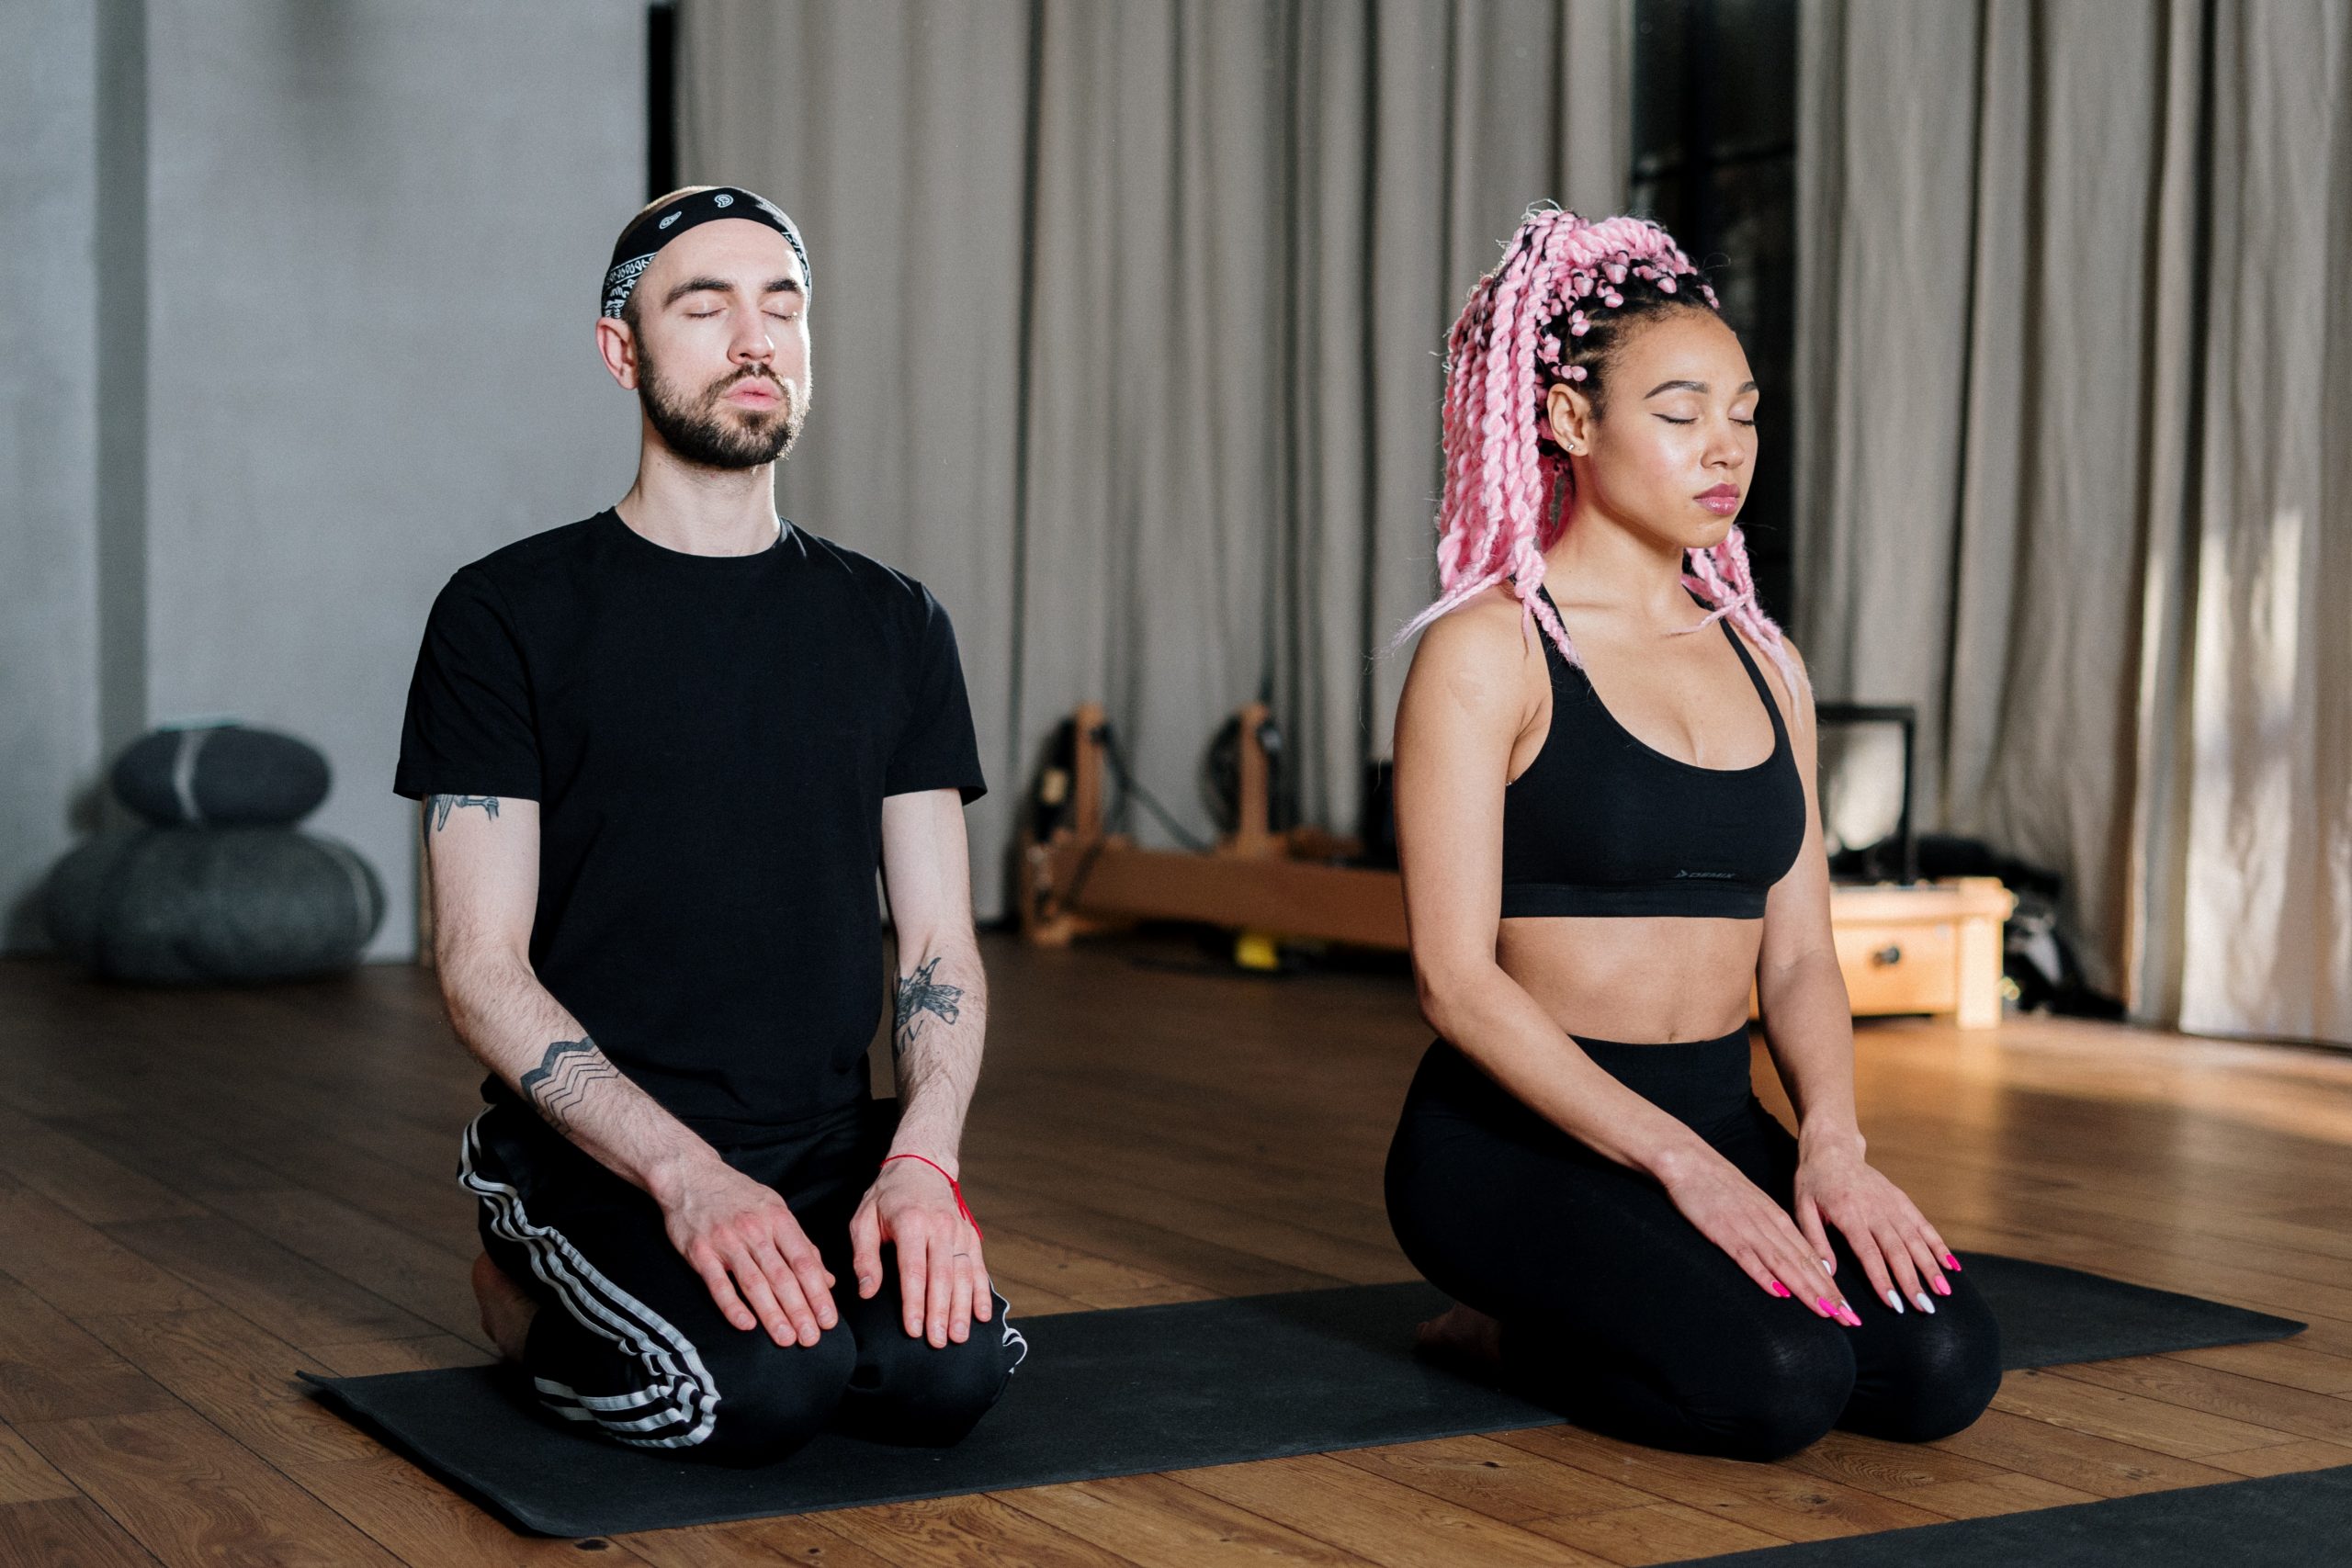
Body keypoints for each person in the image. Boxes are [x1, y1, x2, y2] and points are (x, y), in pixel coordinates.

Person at [395, 186, 1023, 1463]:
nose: (757, 338)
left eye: (783, 307)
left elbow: (943, 950)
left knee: (944, 1384)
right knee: (757, 1395)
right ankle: (516, 1303)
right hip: (601, 1146)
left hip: (826, 1136)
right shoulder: (503, 613)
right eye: (707, 305)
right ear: (620, 348)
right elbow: (479, 971)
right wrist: (684, 1176)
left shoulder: (895, 622)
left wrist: (924, 1160)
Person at [1382, 209, 2000, 1461]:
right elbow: (1455, 983)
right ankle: (1496, 1332)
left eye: (1746, 414)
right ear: (1567, 419)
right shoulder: (1486, 651)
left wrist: (1827, 1143)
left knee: (1939, 1369)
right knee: (1779, 1385)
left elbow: (1801, 960)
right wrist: (1681, 1167)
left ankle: (1660, 1277)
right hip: (1515, 1139)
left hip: (1719, 1113)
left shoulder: (1769, 664)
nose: (1726, 449)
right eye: (1680, 414)